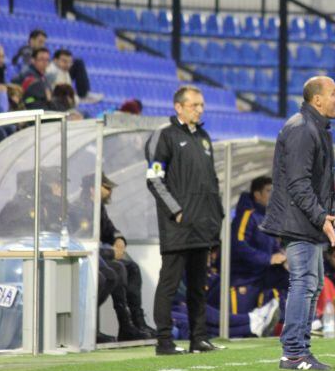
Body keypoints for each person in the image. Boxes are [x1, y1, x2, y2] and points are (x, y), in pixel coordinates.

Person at [261, 76, 335, 371]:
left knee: (311, 285)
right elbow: (299, 184)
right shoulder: (302, 128)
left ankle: (300, 350)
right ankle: (293, 352)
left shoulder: (315, 127)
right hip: (297, 221)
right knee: (303, 283)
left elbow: (309, 185)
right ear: (317, 99)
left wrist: (328, 216)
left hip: (307, 220)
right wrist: (319, 216)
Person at [146, 85, 225, 355]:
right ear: (178, 107)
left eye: (202, 105)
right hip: (178, 227)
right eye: (195, 105)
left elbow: (212, 181)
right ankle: (164, 342)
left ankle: (198, 339)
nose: (200, 110)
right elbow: (154, 179)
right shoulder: (164, 136)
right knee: (169, 285)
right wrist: (176, 211)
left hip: (202, 226)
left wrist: (217, 215)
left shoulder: (203, 137)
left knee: (197, 287)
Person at [71, 173, 156, 341]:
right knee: (117, 269)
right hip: (86, 257)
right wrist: (110, 253)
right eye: (106, 188)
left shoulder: (98, 208)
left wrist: (118, 239)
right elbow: (82, 243)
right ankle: (100, 327)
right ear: (93, 189)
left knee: (131, 267)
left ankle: (135, 323)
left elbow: (110, 230)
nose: (110, 192)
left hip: (99, 256)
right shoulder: (80, 209)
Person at [229, 176, 288, 317]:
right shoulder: (246, 216)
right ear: (257, 195)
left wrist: (283, 257)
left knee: (295, 278)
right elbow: (239, 245)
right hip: (244, 277)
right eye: (269, 191)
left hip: (263, 274)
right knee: (239, 331)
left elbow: (274, 248)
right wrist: (268, 259)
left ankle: (300, 320)